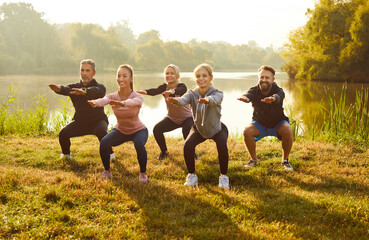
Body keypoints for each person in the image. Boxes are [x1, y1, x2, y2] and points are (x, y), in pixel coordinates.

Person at [166, 63, 230, 189]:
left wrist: (207, 100)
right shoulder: (191, 94)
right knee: (187, 145)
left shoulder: (218, 93)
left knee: (222, 145)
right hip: (199, 128)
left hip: (216, 128)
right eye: (198, 76)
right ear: (195, 78)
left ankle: (223, 177)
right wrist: (176, 101)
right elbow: (183, 100)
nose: (201, 78)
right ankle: (192, 176)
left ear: (211, 77)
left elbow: (215, 99)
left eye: (204, 76)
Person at [88, 64, 149, 182]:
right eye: (119, 76)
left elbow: (134, 102)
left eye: (124, 76)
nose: (121, 79)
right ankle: (107, 171)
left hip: (138, 130)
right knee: (104, 143)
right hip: (121, 130)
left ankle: (143, 173)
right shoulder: (113, 96)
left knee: (139, 144)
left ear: (131, 78)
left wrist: (123, 103)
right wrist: (95, 102)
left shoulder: (137, 96)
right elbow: (105, 100)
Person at [48, 59, 114, 161]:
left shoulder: (100, 87)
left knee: (101, 131)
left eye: (87, 71)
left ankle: (110, 155)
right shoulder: (74, 87)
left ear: (94, 73)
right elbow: (65, 89)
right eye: (82, 70)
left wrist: (84, 91)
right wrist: (59, 88)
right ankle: (66, 155)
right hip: (80, 123)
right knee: (63, 133)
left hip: (98, 121)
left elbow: (97, 92)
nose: (84, 73)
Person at [237, 65, 294, 171]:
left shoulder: (278, 90)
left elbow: (279, 95)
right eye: (262, 77)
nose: (264, 80)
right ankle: (254, 161)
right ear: (258, 78)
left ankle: (285, 161)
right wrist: (245, 98)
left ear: (273, 79)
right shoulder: (254, 90)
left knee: (287, 128)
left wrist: (273, 98)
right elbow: (249, 94)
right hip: (260, 124)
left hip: (278, 124)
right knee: (247, 131)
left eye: (267, 78)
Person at [136, 64, 194, 160]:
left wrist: (172, 92)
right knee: (157, 129)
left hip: (187, 118)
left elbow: (181, 90)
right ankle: (164, 152)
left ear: (178, 76)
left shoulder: (182, 86)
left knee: (186, 130)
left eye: (172, 73)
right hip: (172, 118)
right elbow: (155, 91)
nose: (169, 75)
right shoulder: (164, 87)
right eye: (167, 73)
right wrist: (145, 91)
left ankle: (191, 153)